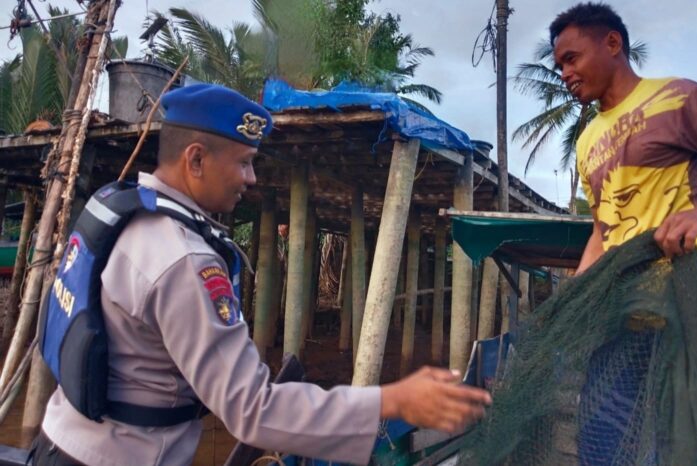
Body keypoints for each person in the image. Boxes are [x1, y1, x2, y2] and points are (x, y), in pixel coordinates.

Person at [33, 84, 491, 466]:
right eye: (244, 161)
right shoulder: (185, 260)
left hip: (60, 439)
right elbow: (252, 410)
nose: (251, 178)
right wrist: (391, 401)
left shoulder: (118, 208)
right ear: (195, 160)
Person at [549, 1, 697, 462]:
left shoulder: (679, 98)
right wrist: (574, 291)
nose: (564, 73)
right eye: (559, 65)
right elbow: (604, 233)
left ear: (613, 43)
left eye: (571, 58)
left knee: (682, 442)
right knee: (605, 432)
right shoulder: (586, 141)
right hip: (625, 305)